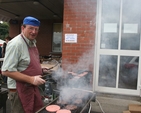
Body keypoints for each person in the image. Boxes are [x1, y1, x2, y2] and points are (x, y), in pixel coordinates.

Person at [2, 16, 46, 113]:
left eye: (36, 29)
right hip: (19, 92)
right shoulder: (16, 44)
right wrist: (32, 79)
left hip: (30, 88)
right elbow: (6, 71)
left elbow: (27, 63)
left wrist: (40, 70)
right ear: (23, 28)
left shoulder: (32, 42)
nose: (34, 32)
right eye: (31, 28)